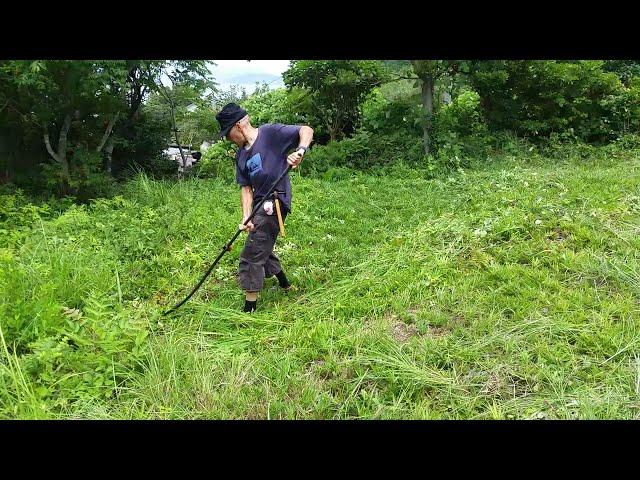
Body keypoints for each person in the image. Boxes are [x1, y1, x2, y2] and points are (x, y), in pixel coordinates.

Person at [215, 103, 314, 313]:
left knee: (251, 254)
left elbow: (306, 130)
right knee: (262, 244)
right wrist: (246, 216)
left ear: (239, 125)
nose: (228, 139)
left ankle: (249, 311)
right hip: (258, 206)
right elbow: (246, 188)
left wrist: (301, 150)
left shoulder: (269, 134)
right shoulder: (241, 155)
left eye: (228, 133)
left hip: (275, 202)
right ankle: (285, 284)